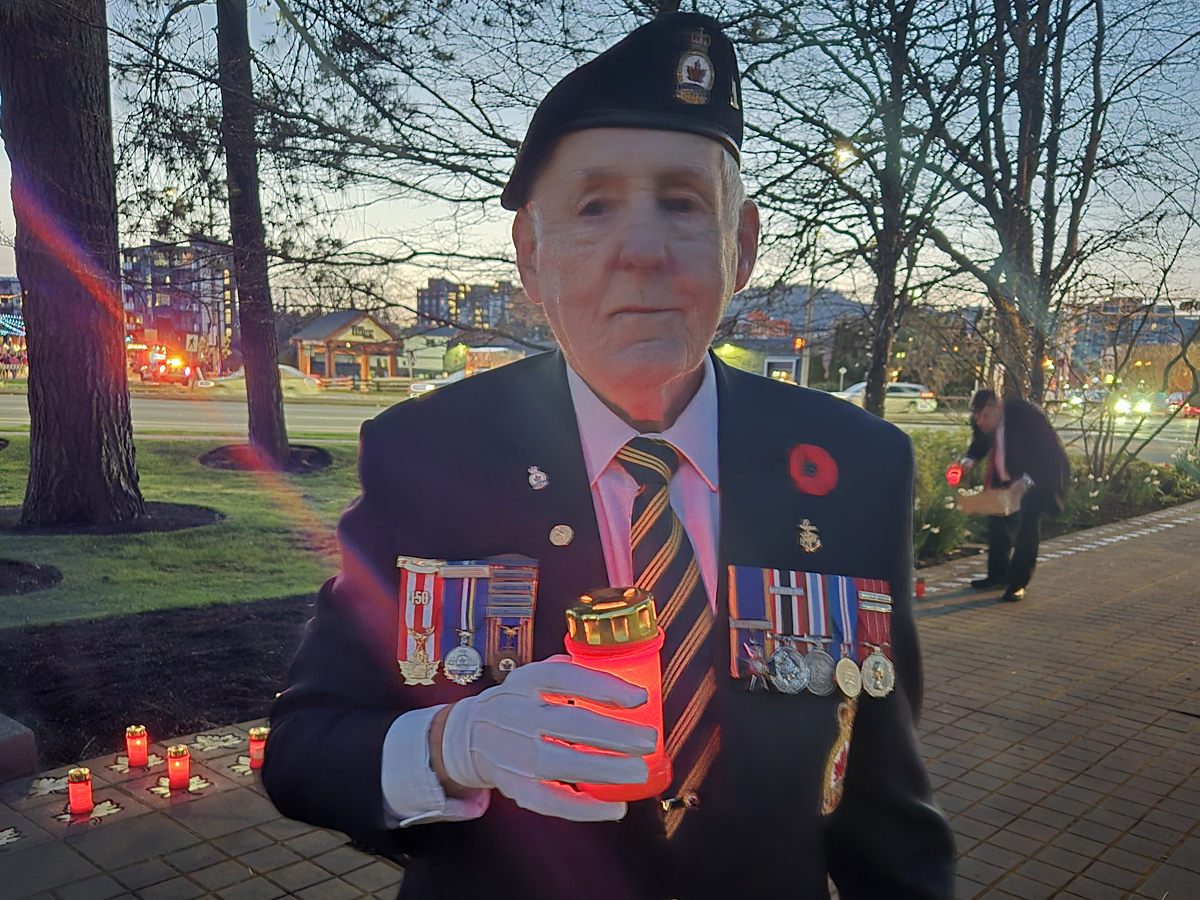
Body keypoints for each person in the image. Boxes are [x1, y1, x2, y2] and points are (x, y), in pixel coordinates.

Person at [263, 13, 954, 900]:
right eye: (594, 208)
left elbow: (885, 809)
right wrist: (454, 745)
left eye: (682, 202)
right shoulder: (429, 455)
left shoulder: (856, 464)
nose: (644, 251)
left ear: (741, 246)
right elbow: (304, 748)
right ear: (531, 255)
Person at [956, 389, 1070, 602]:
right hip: (1005, 477)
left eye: (985, 416)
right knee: (998, 525)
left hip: (1037, 477)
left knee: (1027, 528)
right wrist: (969, 460)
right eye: (977, 417)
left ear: (998, 407)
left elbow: (1046, 456)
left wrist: (1024, 482)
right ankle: (997, 575)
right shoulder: (982, 418)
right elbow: (980, 442)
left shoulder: (1028, 417)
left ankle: (1017, 584)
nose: (980, 422)